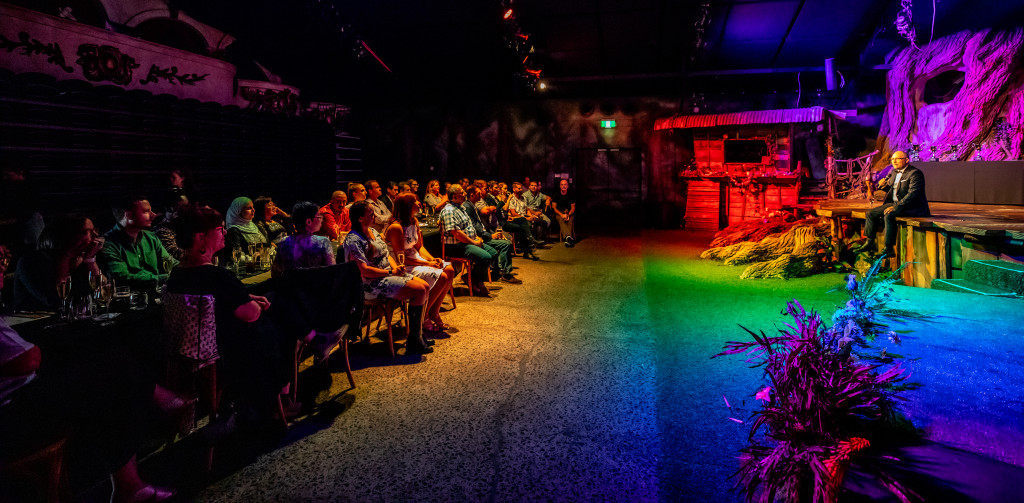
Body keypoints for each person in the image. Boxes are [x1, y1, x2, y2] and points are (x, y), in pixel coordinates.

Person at [1, 246, 175, 503]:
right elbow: (29, 358)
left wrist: (89, 260)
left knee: (111, 367)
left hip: (22, 397)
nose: (3, 268)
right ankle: (129, 477)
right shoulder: (33, 263)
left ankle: (126, 472)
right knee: (118, 374)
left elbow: (102, 288)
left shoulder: (83, 260)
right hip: (14, 415)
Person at [167, 206, 291, 429]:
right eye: (219, 229)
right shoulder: (217, 275)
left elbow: (214, 300)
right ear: (201, 237)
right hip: (226, 350)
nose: (224, 232)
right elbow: (249, 314)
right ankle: (276, 403)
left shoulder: (176, 274)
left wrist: (246, 297)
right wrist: (254, 303)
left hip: (191, 348)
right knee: (277, 317)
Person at [342, 200, 433, 354]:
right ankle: (414, 340)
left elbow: (386, 254)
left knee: (425, 286)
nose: (374, 216)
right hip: (370, 284)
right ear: (360, 218)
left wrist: (395, 268)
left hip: (386, 275)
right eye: (371, 214)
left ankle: (417, 335)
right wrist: (391, 273)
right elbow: (364, 271)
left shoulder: (373, 231)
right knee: (419, 290)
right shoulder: (353, 240)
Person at [384, 193, 456, 332]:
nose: (419, 204)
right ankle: (424, 315)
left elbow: (420, 247)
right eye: (415, 202)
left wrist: (432, 259)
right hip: (403, 266)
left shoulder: (414, 221)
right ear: (407, 206)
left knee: (450, 270)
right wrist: (428, 264)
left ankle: (434, 312)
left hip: (416, 259)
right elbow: (401, 258)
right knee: (441, 276)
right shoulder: (396, 227)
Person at [854, 151, 931, 257]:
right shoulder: (894, 172)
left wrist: (896, 207)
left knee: (889, 214)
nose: (894, 161)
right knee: (871, 213)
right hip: (896, 203)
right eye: (892, 159)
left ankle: (889, 248)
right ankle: (870, 242)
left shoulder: (915, 173)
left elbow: (913, 194)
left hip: (912, 207)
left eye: (897, 159)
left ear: (906, 160)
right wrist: (883, 186)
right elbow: (894, 190)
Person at [97, 195, 177, 292]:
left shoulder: (151, 237)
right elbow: (123, 278)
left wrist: (185, 270)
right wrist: (164, 277)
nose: (153, 215)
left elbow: (170, 263)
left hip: (156, 294)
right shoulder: (108, 243)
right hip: (128, 298)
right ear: (129, 215)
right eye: (146, 211)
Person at [439, 185, 499, 296]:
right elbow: (456, 233)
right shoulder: (449, 210)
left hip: (467, 242)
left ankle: (472, 277)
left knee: (493, 253)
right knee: (485, 257)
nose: (465, 194)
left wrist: (476, 238)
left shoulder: (461, 208)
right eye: (462, 193)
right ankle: (478, 281)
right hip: (457, 246)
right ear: (454, 196)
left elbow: (469, 227)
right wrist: (473, 242)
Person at [463, 186, 520, 284]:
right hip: (478, 237)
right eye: (478, 193)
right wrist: (490, 235)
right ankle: (503, 273)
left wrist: (491, 234)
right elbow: (474, 226)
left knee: (505, 241)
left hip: (484, 233)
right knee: (505, 244)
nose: (481, 194)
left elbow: (480, 225)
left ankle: (499, 272)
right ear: (472, 195)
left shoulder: (472, 205)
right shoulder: (468, 207)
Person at [272, 201, 335, 278]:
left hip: (291, 285)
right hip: (316, 285)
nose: (321, 220)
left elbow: (275, 273)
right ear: (308, 222)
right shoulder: (323, 242)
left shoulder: (284, 242)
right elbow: (332, 271)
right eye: (319, 217)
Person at [550, 178, 576, 247]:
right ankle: (569, 238)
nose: (563, 186)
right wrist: (561, 215)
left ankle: (567, 239)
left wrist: (568, 214)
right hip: (559, 213)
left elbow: (573, 208)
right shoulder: (556, 195)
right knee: (561, 220)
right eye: (562, 184)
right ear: (560, 186)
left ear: (568, 186)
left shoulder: (571, 195)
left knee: (570, 219)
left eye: (565, 184)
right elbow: (554, 208)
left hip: (568, 212)